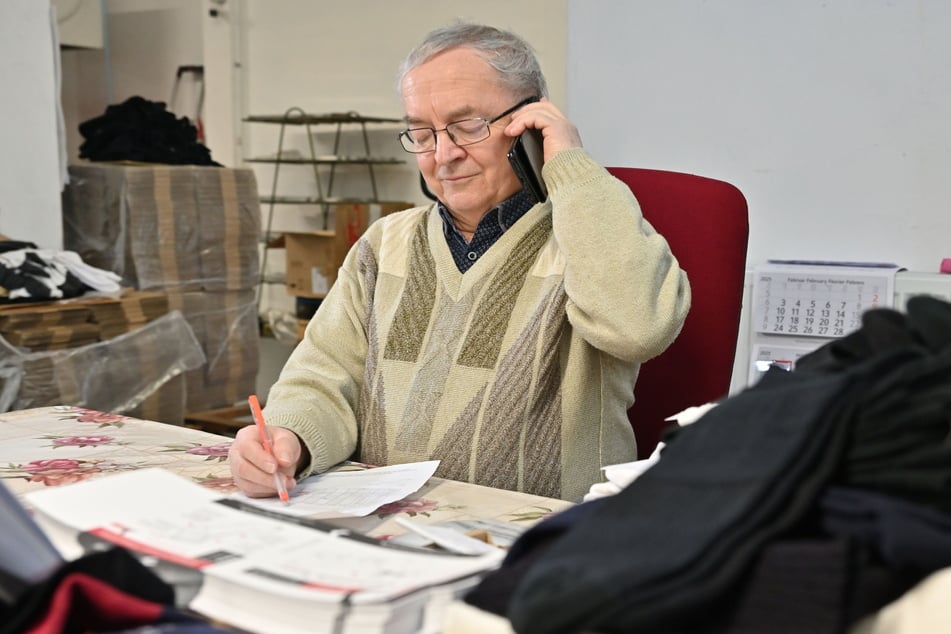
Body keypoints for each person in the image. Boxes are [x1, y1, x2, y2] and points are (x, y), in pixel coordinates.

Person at [229, 22, 691, 502]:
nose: (443, 155)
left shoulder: (589, 236)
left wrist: (569, 166)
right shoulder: (384, 243)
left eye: (467, 126)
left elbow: (638, 328)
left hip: (539, 543)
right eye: (421, 133)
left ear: (531, 122)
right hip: (387, 530)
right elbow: (323, 378)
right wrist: (290, 440)